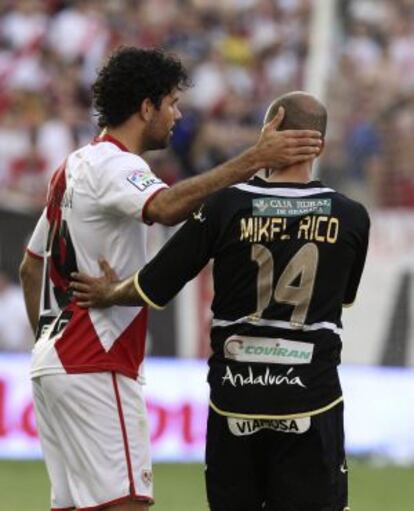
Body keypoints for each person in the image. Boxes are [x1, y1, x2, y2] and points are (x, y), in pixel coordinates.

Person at [19, 46, 322, 511]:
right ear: (146, 107)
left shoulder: (72, 167)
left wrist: (46, 335)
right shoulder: (116, 165)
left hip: (54, 364)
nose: (178, 115)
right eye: (172, 103)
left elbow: (31, 263)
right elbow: (164, 207)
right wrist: (253, 157)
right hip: (95, 361)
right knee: (127, 504)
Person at [71, 91, 370, 511]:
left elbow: (155, 284)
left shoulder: (226, 204)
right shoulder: (351, 215)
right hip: (311, 398)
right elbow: (343, 299)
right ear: (319, 144)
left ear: (271, 130)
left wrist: (108, 292)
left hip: (234, 398)